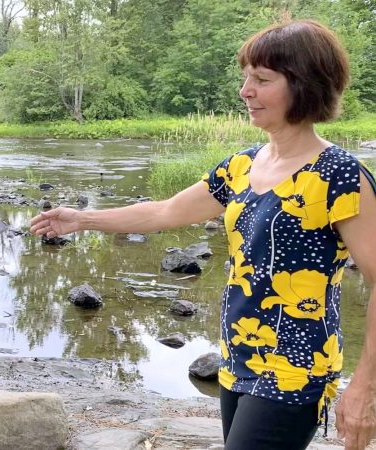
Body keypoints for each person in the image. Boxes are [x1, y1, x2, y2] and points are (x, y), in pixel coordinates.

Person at [31, 19, 376, 450]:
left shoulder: (339, 174)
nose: (245, 91)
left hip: (296, 366)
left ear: (306, 85)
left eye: (262, 79)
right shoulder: (242, 166)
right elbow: (165, 211)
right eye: (245, 77)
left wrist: (364, 387)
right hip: (238, 355)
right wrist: (82, 219)